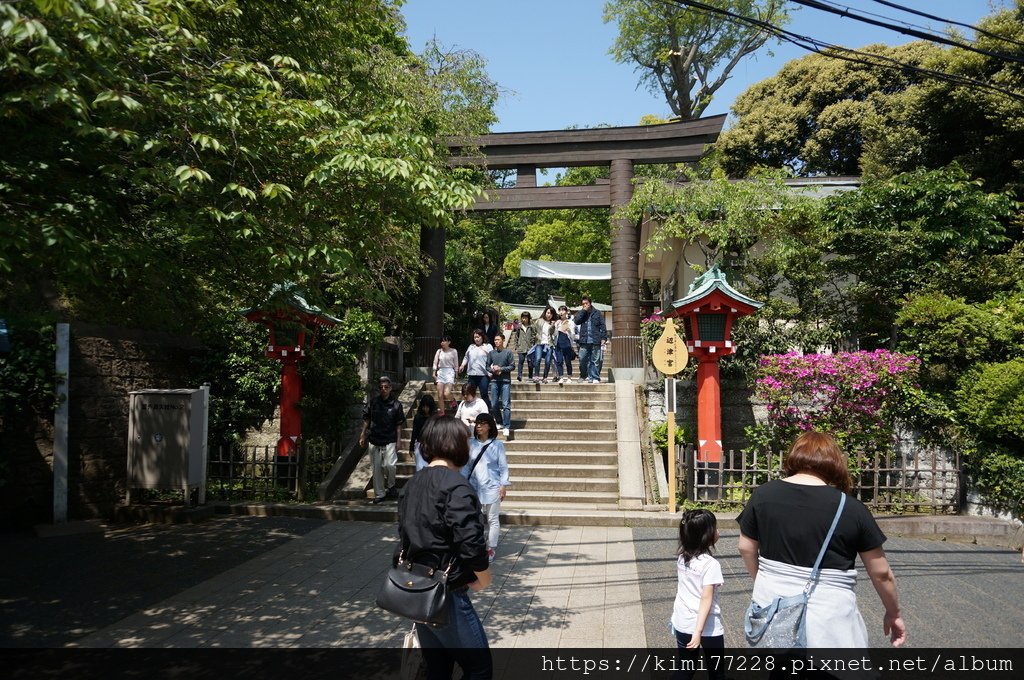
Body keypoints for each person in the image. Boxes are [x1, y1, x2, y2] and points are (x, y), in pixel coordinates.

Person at [737, 431, 908, 648]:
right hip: (829, 618)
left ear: (795, 456)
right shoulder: (851, 508)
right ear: (833, 462)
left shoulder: (763, 495)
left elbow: (745, 547)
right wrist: (894, 613)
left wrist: (765, 581)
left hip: (773, 607)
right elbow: (881, 573)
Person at [397, 416, 492, 679]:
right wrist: (484, 579)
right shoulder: (457, 487)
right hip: (446, 593)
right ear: (455, 445)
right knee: (479, 667)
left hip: (416, 590)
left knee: (438, 667)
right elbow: (470, 542)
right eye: (466, 440)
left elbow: (404, 535)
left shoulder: (411, 484)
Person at [671, 509, 725, 680]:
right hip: (707, 626)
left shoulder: (682, 558)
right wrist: (698, 631)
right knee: (716, 671)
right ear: (706, 536)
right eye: (715, 528)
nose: (718, 531)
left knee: (685, 668)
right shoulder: (710, 564)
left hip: (682, 621)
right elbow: (706, 598)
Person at [464, 413, 511, 563]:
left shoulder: (497, 445)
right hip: (473, 486)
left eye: (482, 424)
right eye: (477, 423)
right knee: (475, 518)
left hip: (492, 485)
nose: (478, 426)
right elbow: (466, 466)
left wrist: (504, 485)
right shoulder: (471, 443)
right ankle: (478, 545)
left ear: (489, 426)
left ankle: (491, 547)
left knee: (492, 518)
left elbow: (503, 467)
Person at [358, 376, 404, 504]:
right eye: (381, 387)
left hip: (390, 438)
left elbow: (399, 424)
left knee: (390, 465)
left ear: (390, 388)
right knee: (377, 468)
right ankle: (380, 494)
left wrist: (399, 440)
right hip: (374, 438)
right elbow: (366, 419)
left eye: (386, 387)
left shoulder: (396, 404)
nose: (383, 389)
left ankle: (391, 485)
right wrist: (362, 435)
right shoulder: (373, 402)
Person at [574, 296, 608, 383]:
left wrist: (604, 338)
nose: (585, 305)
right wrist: (583, 311)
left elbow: (602, 326)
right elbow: (577, 321)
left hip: (595, 340)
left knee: (595, 360)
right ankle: (583, 375)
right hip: (584, 340)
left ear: (590, 303)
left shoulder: (597, 313)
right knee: (582, 358)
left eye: (586, 303)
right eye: (583, 304)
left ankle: (594, 377)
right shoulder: (582, 313)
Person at [486, 334, 514, 436]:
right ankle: (499, 422)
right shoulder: (491, 353)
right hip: (494, 381)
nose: (496, 341)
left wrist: (501, 369)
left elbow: (512, 366)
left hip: (505, 381)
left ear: (503, 340)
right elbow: (487, 366)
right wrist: (493, 370)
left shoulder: (508, 352)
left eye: (498, 340)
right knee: (494, 404)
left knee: (506, 404)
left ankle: (507, 426)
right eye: (495, 340)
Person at [459, 329, 493, 411]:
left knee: (484, 393)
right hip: (472, 374)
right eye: (475, 337)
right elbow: (466, 357)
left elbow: (493, 358)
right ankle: (470, 410)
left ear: (482, 337)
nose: (476, 339)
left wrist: (491, 370)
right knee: (470, 393)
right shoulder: (471, 347)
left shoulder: (488, 346)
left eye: (478, 337)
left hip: (483, 375)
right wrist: (463, 365)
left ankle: (488, 411)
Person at [410, 393, 440, 471]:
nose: (425, 409)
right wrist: (411, 448)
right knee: (420, 468)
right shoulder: (418, 417)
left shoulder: (435, 417)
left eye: (427, 406)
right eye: (424, 406)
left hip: (432, 445)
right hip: (420, 444)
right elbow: (414, 432)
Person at [432, 335, 459, 415]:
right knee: (440, 394)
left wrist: (456, 375)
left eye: (444, 341)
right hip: (441, 372)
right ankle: (442, 412)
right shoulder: (439, 351)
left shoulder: (454, 351)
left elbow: (456, 364)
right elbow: (435, 362)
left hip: (450, 372)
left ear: (449, 342)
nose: (442, 343)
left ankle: (453, 400)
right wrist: (434, 372)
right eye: (441, 341)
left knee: (446, 393)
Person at [507, 311, 536, 382]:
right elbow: (516, 337)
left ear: (528, 318)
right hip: (521, 347)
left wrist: (533, 344)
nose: (524, 319)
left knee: (530, 363)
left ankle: (530, 376)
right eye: (523, 318)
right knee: (521, 361)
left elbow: (534, 336)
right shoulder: (519, 327)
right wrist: (516, 345)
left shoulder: (531, 327)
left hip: (530, 347)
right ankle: (519, 375)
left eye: (526, 318)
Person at [531, 305, 557, 383]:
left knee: (548, 361)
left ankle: (545, 377)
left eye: (551, 314)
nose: (549, 315)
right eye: (548, 313)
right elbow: (533, 330)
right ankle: (536, 376)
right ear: (545, 312)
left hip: (549, 344)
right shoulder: (539, 321)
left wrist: (553, 325)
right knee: (538, 359)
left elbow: (553, 333)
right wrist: (534, 339)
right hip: (539, 343)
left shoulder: (552, 323)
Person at [553, 305, 577, 384]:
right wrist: (556, 326)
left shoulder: (570, 322)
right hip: (558, 344)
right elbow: (554, 334)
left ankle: (569, 377)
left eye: (563, 310)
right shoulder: (557, 322)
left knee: (568, 362)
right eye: (560, 310)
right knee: (559, 361)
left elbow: (573, 337)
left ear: (566, 312)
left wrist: (569, 331)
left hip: (567, 344)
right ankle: (561, 377)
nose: (561, 312)